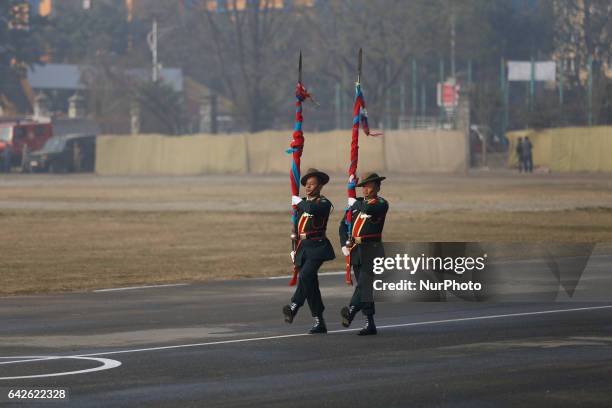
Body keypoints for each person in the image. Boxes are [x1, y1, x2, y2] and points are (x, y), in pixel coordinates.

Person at [283, 168, 336, 334]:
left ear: (320, 186)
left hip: (318, 246)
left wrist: (298, 202)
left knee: (305, 275)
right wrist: (293, 249)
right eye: (306, 184)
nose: (308, 187)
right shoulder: (303, 204)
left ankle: (294, 305)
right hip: (303, 248)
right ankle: (319, 321)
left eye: (312, 184)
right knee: (310, 283)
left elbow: (311, 209)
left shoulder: (324, 203)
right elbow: (296, 229)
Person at [339, 172, 389, 336]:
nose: (366, 190)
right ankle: (370, 323)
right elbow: (343, 225)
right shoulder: (357, 204)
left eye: (369, 186)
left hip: (372, 251)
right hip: (356, 251)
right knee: (365, 289)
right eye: (363, 187)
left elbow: (368, 208)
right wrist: (343, 245)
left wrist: (354, 203)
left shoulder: (381, 204)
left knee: (363, 285)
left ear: (377, 187)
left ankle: (351, 310)